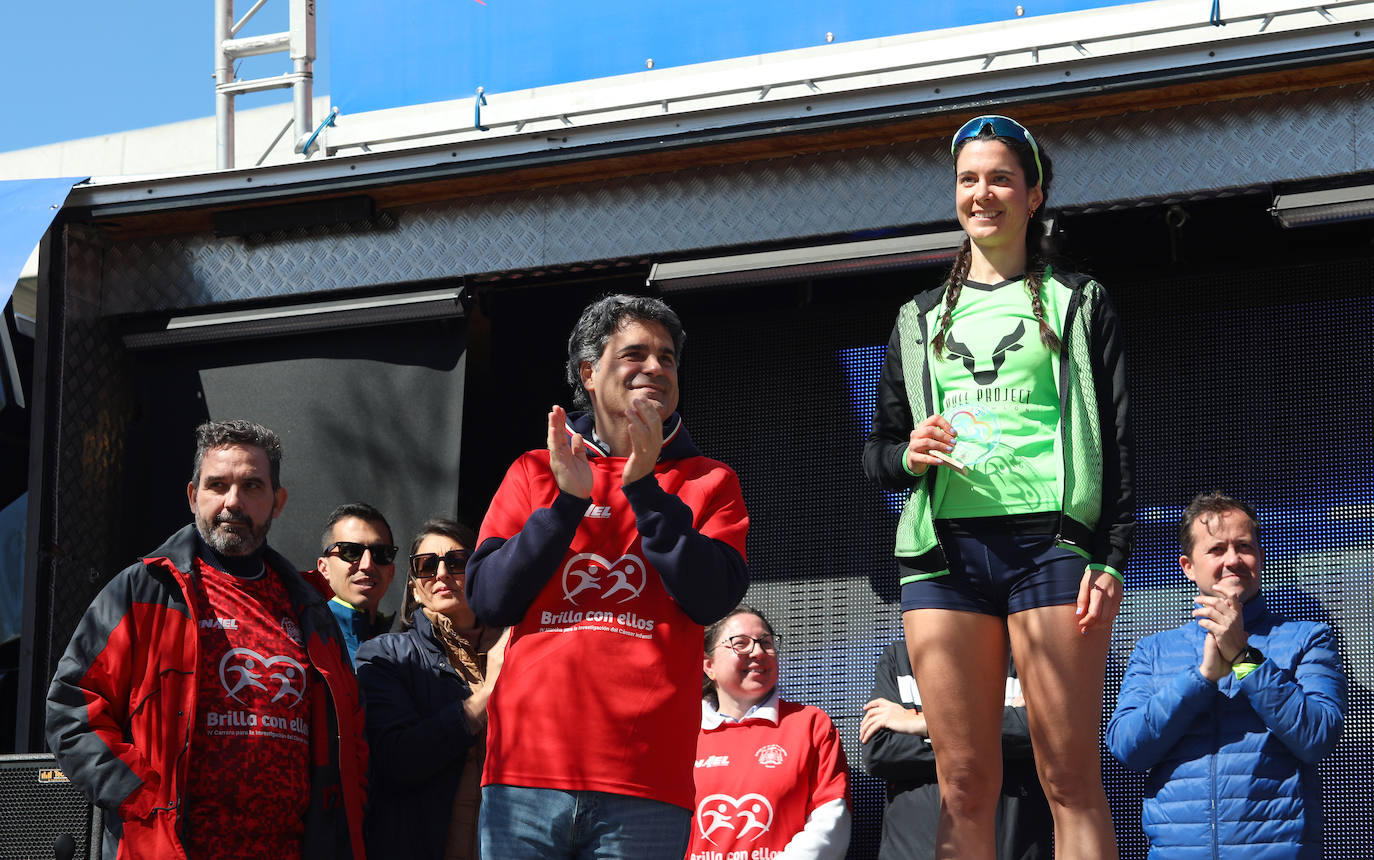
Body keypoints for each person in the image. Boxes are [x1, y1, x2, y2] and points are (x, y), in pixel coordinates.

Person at [861, 114, 1132, 860]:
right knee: (962, 784)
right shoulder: (919, 317)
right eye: (968, 180)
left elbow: (1115, 438)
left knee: (1069, 778)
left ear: (1034, 194)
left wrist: (1110, 556)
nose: (982, 193)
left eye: (1001, 179)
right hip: (945, 558)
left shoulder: (1078, 300)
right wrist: (910, 455)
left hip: (1052, 549)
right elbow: (877, 453)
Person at [467, 293, 750, 858]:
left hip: (645, 781)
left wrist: (644, 490)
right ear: (589, 374)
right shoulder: (534, 470)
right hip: (526, 775)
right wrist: (566, 506)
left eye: (667, 358)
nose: (656, 367)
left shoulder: (710, 481)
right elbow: (489, 599)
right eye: (635, 354)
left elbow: (710, 596)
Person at [45, 419, 366, 860]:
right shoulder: (143, 590)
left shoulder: (310, 610)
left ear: (277, 501)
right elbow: (72, 707)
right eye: (218, 485)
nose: (233, 501)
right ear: (194, 495)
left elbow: (352, 738)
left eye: (252, 486)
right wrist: (141, 797)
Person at [1106, 492, 1345, 859]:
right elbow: (1127, 748)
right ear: (1188, 566)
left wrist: (1243, 658)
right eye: (1217, 549)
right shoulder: (1153, 651)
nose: (1233, 560)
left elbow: (1317, 737)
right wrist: (1201, 679)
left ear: (1260, 556)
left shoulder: (1309, 638)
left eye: (1244, 546)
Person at [354, 517, 508, 860]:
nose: (441, 574)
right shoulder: (384, 655)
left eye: (457, 561)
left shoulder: (518, 648)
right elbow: (397, 759)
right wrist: (487, 696)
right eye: (426, 565)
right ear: (413, 588)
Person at [860, 640, 1051, 860]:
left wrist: (923, 724)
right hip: (913, 851)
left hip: (1010, 849)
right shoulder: (902, 657)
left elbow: (1041, 733)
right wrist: (1000, 726)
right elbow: (879, 749)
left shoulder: (1023, 655)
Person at [687, 606, 850, 860]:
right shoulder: (683, 733)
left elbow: (831, 819)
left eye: (766, 643)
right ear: (709, 665)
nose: (758, 652)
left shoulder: (810, 724)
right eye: (741, 644)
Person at [313, 502, 398, 660]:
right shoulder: (299, 640)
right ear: (324, 569)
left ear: (391, 571)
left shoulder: (404, 649)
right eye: (351, 551)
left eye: (380, 553)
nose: (367, 565)